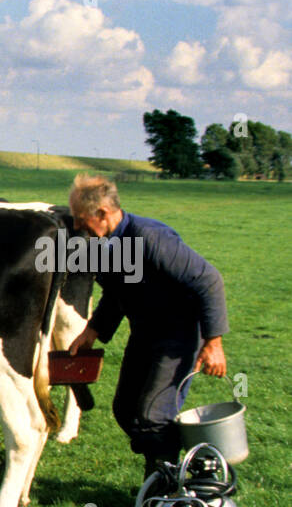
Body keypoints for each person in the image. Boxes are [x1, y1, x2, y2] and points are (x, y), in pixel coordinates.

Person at [64, 174, 229, 476]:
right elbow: (116, 294)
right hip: (145, 335)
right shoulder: (109, 245)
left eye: (80, 218)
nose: (76, 226)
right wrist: (93, 330)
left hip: (177, 338)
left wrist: (214, 342)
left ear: (102, 214)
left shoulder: (150, 238)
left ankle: (164, 487)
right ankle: (167, 465)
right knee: (125, 409)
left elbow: (208, 280)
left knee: (154, 415)